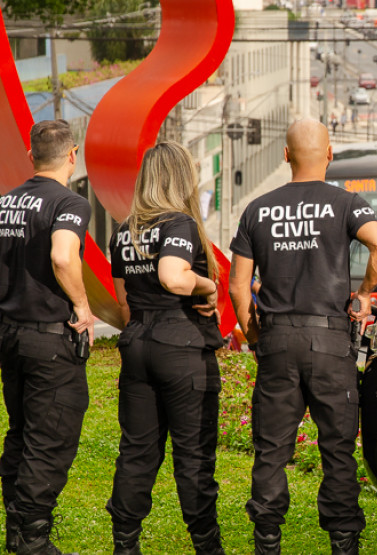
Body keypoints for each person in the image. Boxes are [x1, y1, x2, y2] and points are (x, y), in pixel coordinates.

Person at [229, 119, 377, 555]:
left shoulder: (257, 210)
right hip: (330, 343)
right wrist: (363, 294)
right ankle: (343, 543)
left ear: (286, 156)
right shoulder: (346, 204)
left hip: (278, 341)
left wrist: (254, 335)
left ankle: (267, 541)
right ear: (330, 154)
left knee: (271, 450)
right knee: (337, 448)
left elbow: (237, 286)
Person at [106, 142, 225, 555]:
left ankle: (125, 544)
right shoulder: (179, 224)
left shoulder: (124, 231)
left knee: (137, 453)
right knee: (193, 457)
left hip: (138, 344)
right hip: (182, 347)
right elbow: (174, 277)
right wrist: (209, 286)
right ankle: (207, 546)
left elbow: (123, 304)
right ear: (182, 178)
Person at [0, 119, 93, 554]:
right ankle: (34, 541)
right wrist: (82, 306)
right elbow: (63, 256)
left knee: (21, 432)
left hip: (10, 336)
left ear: (31, 156)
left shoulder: (5, 203)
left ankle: (15, 530)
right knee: (49, 440)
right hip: (50, 341)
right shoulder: (69, 202)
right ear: (72, 155)